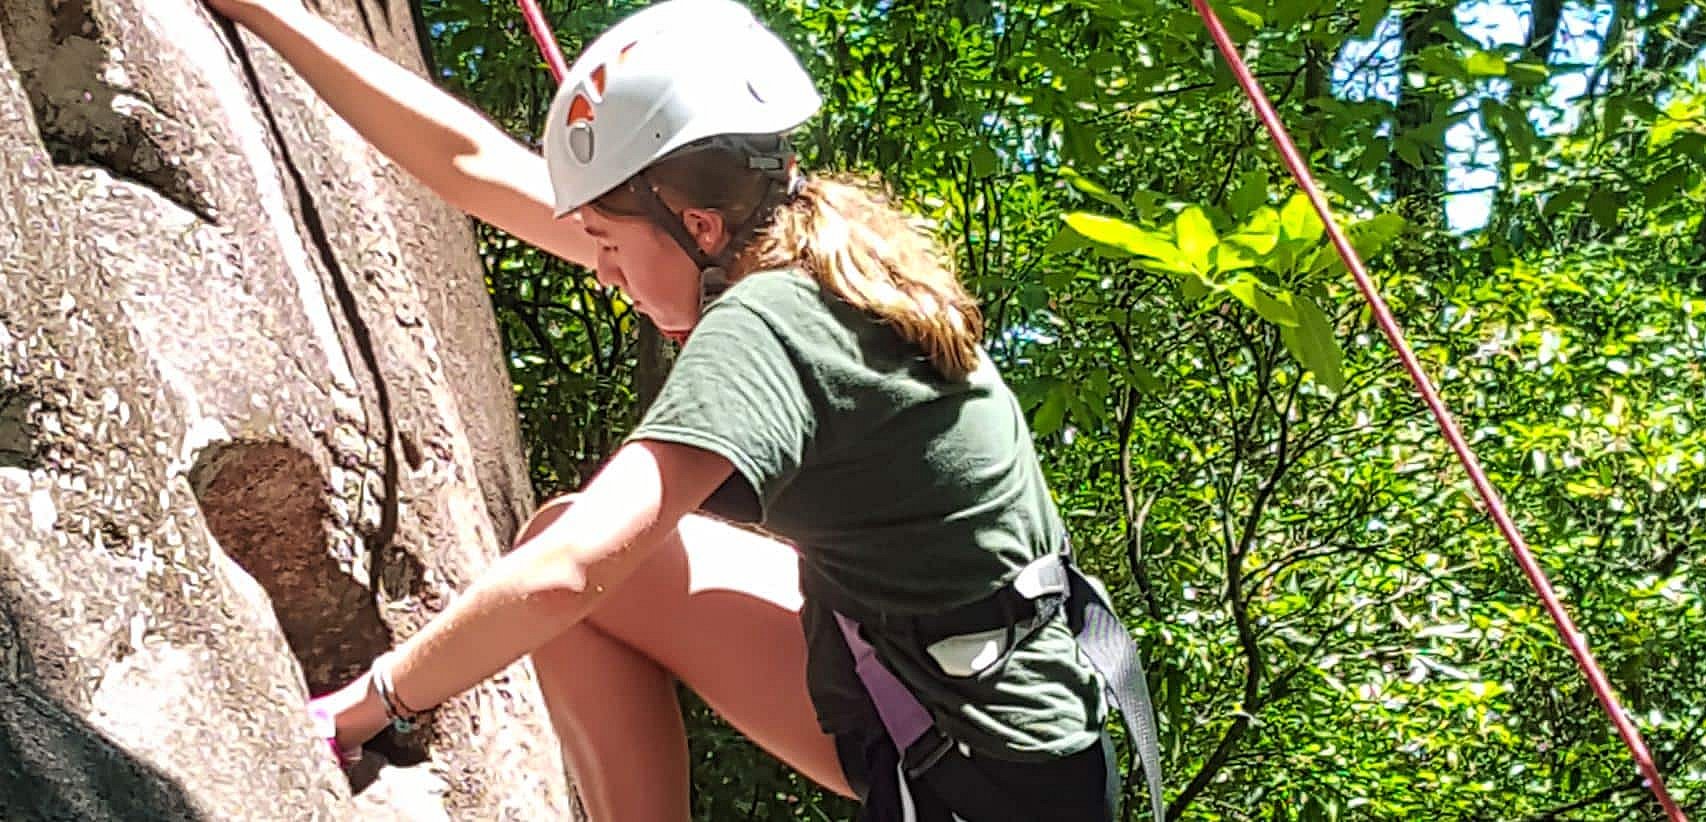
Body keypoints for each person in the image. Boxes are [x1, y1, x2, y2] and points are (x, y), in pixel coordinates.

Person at [204, 0, 1158, 819]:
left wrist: (364, 707)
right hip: (1015, 722)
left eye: (608, 243)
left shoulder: (768, 323)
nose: (603, 271)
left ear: (697, 223)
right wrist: (273, 16)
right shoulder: (825, 251)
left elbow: (573, 572)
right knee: (593, 550)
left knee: (577, 558)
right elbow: (472, 162)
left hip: (972, 774)